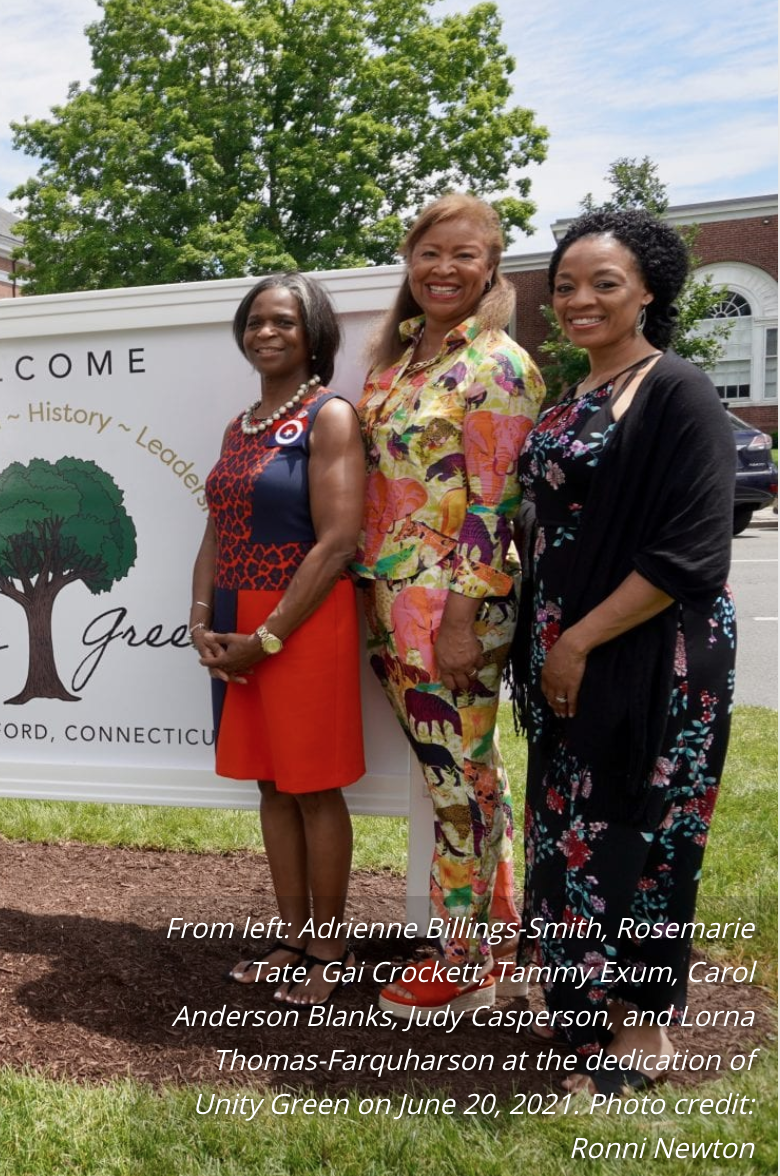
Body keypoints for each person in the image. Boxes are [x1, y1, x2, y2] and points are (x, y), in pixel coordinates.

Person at [511, 209, 734, 1095]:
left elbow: (691, 555)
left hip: (653, 655)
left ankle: (639, 1034)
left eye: (605, 283)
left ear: (648, 290)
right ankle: (574, 1013)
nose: (579, 300)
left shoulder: (678, 390)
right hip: (568, 648)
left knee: (646, 833)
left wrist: (581, 641)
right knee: (570, 828)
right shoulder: (571, 402)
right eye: (565, 285)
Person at [353, 194, 543, 1022]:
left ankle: (463, 962)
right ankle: (499, 929)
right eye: (431, 252)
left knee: (457, 782)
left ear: (492, 266)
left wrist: (463, 617)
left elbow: (493, 509)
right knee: (463, 773)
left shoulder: (497, 365)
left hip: (450, 606)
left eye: (465, 255)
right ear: (409, 258)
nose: (445, 269)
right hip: (390, 596)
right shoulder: (399, 363)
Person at [192, 275, 366, 1006]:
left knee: (313, 788)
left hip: (300, 619)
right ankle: (291, 936)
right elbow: (217, 526)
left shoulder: (330, 418)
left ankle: (330, 947)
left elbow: (337, 543)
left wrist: (266, 638)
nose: (266, 332)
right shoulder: (243, 426)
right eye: (255, 321)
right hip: (237, 617)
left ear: (313, 333)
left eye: (284, 322)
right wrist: (201, 619)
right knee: (270, 784)